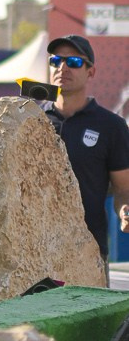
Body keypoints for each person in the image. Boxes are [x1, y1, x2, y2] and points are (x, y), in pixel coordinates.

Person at [41, 35, 129, 267]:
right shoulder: (31, 119)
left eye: (74, 62)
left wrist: (124, 211)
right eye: (56, 60)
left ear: (91, 72)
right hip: (35, 252)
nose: (63, 67)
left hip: (88, 252)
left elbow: (123, 188)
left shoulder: (112, 126)